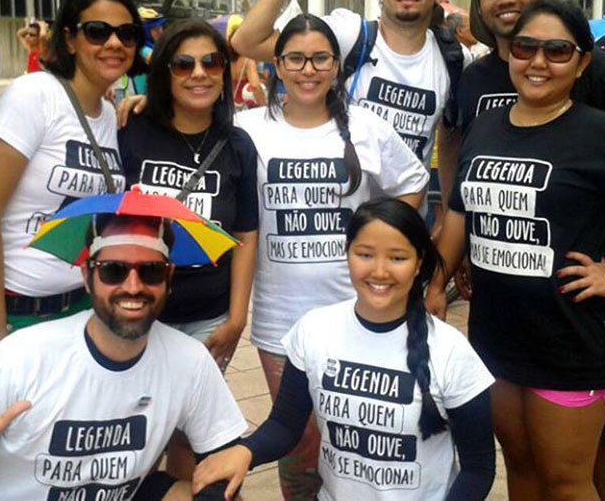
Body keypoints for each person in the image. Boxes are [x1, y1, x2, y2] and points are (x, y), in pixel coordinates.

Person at [434, 0, 605, 501]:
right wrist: (435, 279)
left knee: (568, 482)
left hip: (571, 339)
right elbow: (458, 209)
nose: (538, 61)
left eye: (557, 51)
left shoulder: (602, 133)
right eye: (527, 48)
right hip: (497, 334)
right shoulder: (488, 122)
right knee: (522, 474)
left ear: (581, 62)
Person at [234, 14, 429, 499]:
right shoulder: (248, 129)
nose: (308, 69)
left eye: (321, 58)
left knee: (354, 447)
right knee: (297, 450)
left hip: (358, 317)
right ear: (276, 64)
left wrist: (377, 248)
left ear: (337, 66)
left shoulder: (366, 127)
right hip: (280, 321)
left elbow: (413, 183)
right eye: (295, 58)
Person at [0, 215, 249, 499]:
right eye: (113, 271)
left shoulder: (188, 360)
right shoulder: (23, 356)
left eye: (150, 271)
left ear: (169, 278)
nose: (133, 286)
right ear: (87, 278)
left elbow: (225, 460)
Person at [191, 197, 496, 500]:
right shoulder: (314, 330)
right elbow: (285, 424)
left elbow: (478, 469)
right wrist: (245, 452)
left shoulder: (451, 351)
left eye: (397, 258)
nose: (379, 271)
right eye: (364, 254)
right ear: (347, 253)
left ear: (418, 264)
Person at [0, 0, 137, 364]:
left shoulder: (110, 115)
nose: (114, 43)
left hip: (77, 312)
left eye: (126, 33)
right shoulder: (35, 95)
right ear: (70, 39)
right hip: (13, 312)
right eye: (97, 31)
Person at [118, 19, 259, 478]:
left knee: (186, 431)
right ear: (164, 72)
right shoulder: (133, 129)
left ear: (224, 72)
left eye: (210, 62)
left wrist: (237, 318)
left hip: (209, 317)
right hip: (137, 307)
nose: (198, 73)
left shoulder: (237, 144)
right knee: (131, 428)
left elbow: (245, 233)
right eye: (183, 63)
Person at [231, 0, 466, 203]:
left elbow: (450, 139)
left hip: (404, 223)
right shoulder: (349, 35)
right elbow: (247, 41)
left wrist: (446, 215)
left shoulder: (454, 59)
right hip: (337, 218)